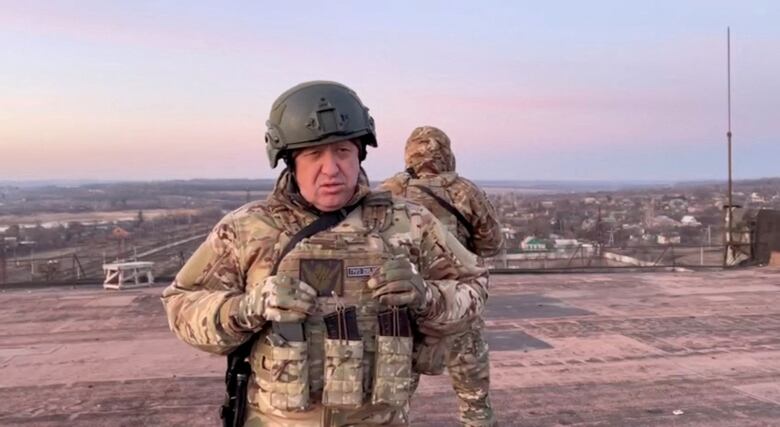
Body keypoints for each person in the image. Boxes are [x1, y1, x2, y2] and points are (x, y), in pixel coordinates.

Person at [161, 82, 488, 427]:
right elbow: (181, 306)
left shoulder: (408, 223)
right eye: (314, 154)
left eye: (343, 152)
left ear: (360, 153)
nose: (331, 169)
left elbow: (475, 287)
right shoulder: (248, 229)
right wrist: (247, 308)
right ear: (289, 161)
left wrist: (427, 297)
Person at [379, 126, 503, 427]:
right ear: (447, 154)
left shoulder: (387, 193)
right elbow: (491, 244)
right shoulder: (465, 191)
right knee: (475, 403)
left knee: (390, 405)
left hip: (404, 308)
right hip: (457, 305)